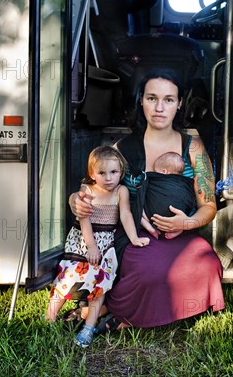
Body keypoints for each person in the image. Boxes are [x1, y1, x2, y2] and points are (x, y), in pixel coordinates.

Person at [69, 69, 224, 331]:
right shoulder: (122, 149)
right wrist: (76, 199)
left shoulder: (193, 147)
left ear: (179, 104)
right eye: (152, 98)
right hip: (135, 235)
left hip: (179, 235)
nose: (160, 107)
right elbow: (95, 188)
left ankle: (107, 308)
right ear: (141, 101)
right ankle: (123, 313)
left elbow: (208, 206)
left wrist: (185, 224)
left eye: (169, 99)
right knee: (151, 272)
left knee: (207, 263)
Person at [45, 145, 150, 348]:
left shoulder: (121, 191)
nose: (108, 178)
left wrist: (134, 238)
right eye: (102, 173)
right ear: (92, 174)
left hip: (106, 243)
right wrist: (90, 246)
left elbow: (125, 215)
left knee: (100, 285)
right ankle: (50, 317)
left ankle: (88, 327)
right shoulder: (87, 190)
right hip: (83, 240)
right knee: (67, 279)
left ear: (121, 172)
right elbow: (84, 220)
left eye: (114, 172)